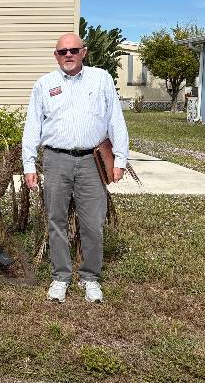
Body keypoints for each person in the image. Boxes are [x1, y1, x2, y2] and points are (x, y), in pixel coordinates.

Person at [22, 33, 129, 304]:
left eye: (73, 50)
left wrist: (120, 159)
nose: (68, 55)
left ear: (84, 52)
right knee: (56, 220)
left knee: (92, 222)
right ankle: (61, 276)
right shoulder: (44, 85)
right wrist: (28, 164)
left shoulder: (101, 78)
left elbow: (115, 119)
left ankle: (90, 278)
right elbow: (33, 125)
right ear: (55, 55)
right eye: (62, 51)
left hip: (91, 161)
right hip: (56, 160)